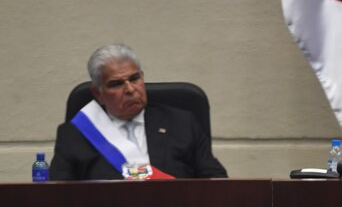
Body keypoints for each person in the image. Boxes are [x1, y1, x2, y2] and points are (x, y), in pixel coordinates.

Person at [50, 43, 227, 180]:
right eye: (116, 84)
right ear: (98, 94)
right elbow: (58, 195)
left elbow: (215, 179)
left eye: (134, 78)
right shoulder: (75, 135)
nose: (130, 89)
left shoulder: (182, 123)